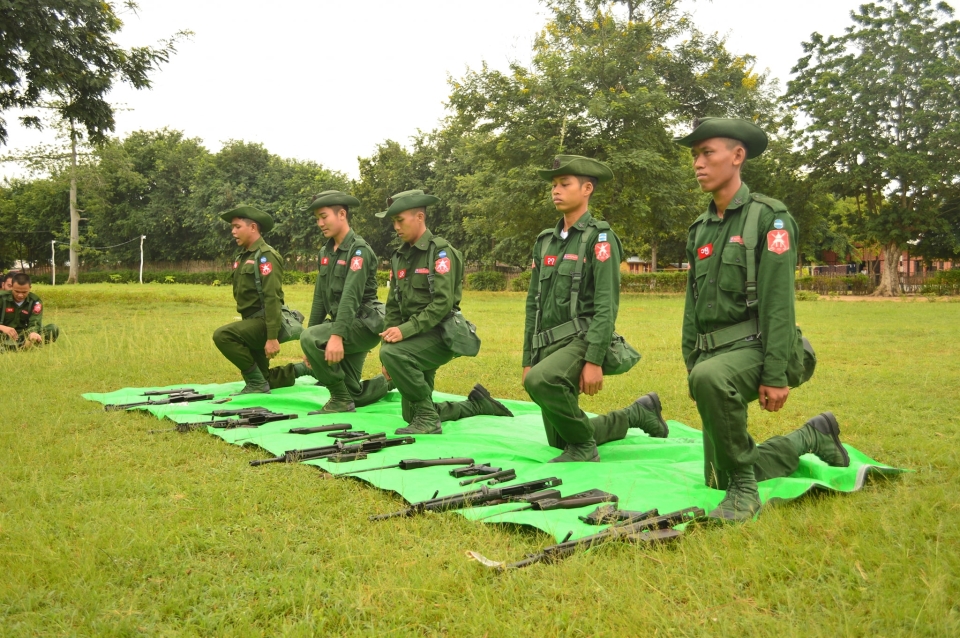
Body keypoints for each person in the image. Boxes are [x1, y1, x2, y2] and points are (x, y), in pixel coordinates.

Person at [675, 117, 849, 522]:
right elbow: (693, 305)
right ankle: (812, 435)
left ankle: (744, 493)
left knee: (713, 383)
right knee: (717, 474)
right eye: (695, 155)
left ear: (737, 156)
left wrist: (776, 373)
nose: (698, 163)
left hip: (761, 345)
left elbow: (777, 303)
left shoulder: (769, 219)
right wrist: (692, 362)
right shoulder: (700, 229)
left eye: (707, 153)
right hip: (716, 354)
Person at [522, 155, 668, 463]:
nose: (556, 191)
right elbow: (533, 303)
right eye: (553, 185)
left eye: (565, 184)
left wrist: (593, 359)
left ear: (587, 188)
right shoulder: (545, 241)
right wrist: (528, 359)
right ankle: (636, 414)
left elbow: (606, 306)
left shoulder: (600, 239)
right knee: (560, 439)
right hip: (549, 344)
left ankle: (585, 450)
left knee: (541, 381)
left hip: (581, 339)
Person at [377, 189, 512, 435]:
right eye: (393, 221)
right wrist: (385, 347)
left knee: (398, 361)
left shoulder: (440, 252)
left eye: (400, 220)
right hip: (414, 338)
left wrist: (403, 334)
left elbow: (442, 304)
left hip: (440, 334)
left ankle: (429, 420)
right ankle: (476, 405)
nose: (395, 227)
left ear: (419, 217)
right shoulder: (399, 256)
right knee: (410, 414)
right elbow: (394, 306)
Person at [298, 190, 392, 413]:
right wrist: (309, 347)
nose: (320, 223)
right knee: (354, 394)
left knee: (310, 338)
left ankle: (340, 401)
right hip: (345, 324)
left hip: (363, 325)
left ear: (341, 214)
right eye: (317, 219)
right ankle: (390, 381)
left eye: (324, 216)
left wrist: (336, 336)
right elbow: (320, 297)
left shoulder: (359, 251)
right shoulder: (326, 251)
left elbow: (350, 296)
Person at [212, 206, 308, 394]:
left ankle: (256, 384)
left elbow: (272, 297)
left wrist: (271, 337)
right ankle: (304, 369)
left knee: (223, 335)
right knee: (265, 378)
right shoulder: (244, 256)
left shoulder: (266, 256)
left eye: (237, 226)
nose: (233, 231)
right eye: (233, 227)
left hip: (265, 321)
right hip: (251, 321)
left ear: (253, 227)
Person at [0, 272, 59, 351]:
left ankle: (25, 345)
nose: (20, 295)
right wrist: (2, 327)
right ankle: (18, 348)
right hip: (3, 334)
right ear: (12, 287)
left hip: (24, 336)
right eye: (17, 291)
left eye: (24, 292)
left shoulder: (35, 301)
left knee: (53, 329)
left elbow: (35, 322)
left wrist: (32, 333)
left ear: (30, 288)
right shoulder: (2, 298)